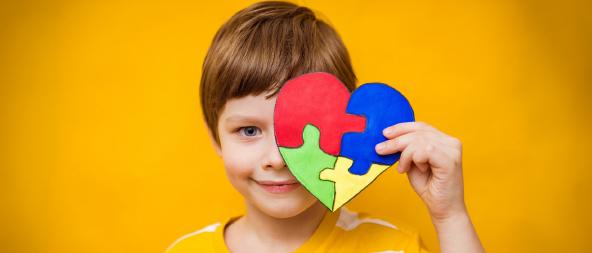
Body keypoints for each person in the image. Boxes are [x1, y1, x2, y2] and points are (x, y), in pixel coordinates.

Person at [166, 1, 484, 252]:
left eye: (301, 127)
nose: (277, 159)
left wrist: (450, 217)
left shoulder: (394, 248)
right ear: (215, 139)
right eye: (249, 131)